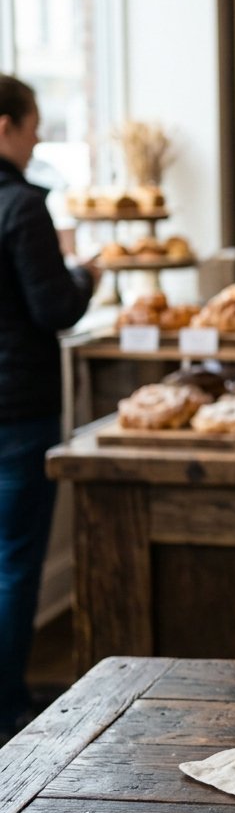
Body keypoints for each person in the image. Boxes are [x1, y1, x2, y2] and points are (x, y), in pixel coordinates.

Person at [0, 74, 99, 742]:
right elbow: (54, 308)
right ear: (6, 126)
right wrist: (87, 274)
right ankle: (7, 705)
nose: (37, 139)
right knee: (13, 558)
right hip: (16, 407)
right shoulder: (22, 206)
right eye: (33, 126)